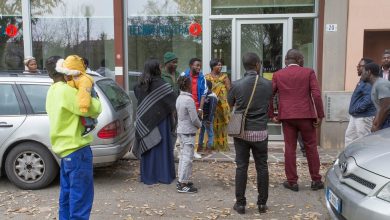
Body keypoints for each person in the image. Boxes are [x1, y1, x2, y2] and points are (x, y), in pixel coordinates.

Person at [45, 55, 102, 220]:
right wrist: (93, 96)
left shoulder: (51, 91)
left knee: (67, 197)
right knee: (81, 199)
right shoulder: (67, 91)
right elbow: (94, 109)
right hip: (77, 150)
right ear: (64, 69)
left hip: (64, 152)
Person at [271, 49, 325, 192]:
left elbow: (269, 95)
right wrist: (319, 115)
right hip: (306, 116)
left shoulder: (278, 74)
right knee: (311, 148)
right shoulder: (308, 72)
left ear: (285, 61)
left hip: (287, 117)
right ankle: (316, 180)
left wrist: (272, 114)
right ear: (300, 60)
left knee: (290, 148)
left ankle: (292, 182)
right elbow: (317, 95)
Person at [228, 52, 272, 214]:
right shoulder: (268, 84)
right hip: (260, 131)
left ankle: (240, 204)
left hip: (241, 132)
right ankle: (262, 204)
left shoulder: (236, 85)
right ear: (257, 65)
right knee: (262, 167)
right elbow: (268, 102)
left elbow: (230, 103)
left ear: (244, 66)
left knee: (241, 167)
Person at [132, 58, 177, 185]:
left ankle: (148, 176)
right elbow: (173, 101)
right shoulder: (163, 85)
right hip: (162, 122)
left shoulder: (139, 86)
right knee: (161, 149)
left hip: (145, 120)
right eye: (159, 67)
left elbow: (137, 94)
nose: (161, 68)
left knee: (149, 149)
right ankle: (164, 175)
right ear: (156, 69)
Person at [56, 55, 98, 137]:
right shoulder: (76, 77)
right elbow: (72, 86)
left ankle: (90, 125)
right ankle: (92, 123)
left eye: (67, 72)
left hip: (86, 97)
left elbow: (84, 93)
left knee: (85, 112)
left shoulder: (84, 80)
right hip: (84, 97)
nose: (65, 75)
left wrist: (83, 106)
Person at [176, 76, 202, 193]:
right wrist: (200, 124)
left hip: (181, 130)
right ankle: (183, 184)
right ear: (188, 86)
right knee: (187, 158)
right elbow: (194, 119)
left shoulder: (179, 98)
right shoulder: (189, 100)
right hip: (188, 132)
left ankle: (181, 180)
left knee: (183, 157)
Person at [344, 58, 376, 146]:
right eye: (358, 66)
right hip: (356, 116)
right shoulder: (362, 80)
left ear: (367, 69)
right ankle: (348, 158)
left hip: (363, 117)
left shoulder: (369, 81)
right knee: (349, 137)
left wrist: (356, 109)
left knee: (364, 141)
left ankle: (365, 159)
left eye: (360, 66)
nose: (357, 68)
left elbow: (368, 100)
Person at [181, 58, 208, 159]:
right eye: (197, 65)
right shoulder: (184, 75)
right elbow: (179, 89)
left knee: (196, 129)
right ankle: (183, 150)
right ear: (191, 65)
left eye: (200, 66)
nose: (199, 67)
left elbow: (204, 94)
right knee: (184, 128)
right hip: (185, 106)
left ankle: (194, 151)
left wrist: (200, 109)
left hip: (197, 106)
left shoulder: (202, 77)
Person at [205, 58, 231, 152]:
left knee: (222, 125)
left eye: (221, 65)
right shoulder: (207, 77)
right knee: (211, 125)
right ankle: (211, 145)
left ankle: (222, 145)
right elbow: (205, 91)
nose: (220, 67)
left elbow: (229, 90)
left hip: (221, 107)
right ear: (212, 66)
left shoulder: (224, 77)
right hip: (211, 106)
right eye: (218, 65)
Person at [360, 62, 390, 131]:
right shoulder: (376, 84)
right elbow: (380, 108)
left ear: (369, 72)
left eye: (363, 72)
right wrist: (375, 123)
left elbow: (386, 107)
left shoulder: (381, 84)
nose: (361, 75)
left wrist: (378, 125)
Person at [198, 80, 218, 154]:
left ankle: (209, 147)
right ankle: (200, 146)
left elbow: (212, 109)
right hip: (202, 117)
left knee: (210, 133)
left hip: (208, 118)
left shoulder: (212, 96)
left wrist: (209, 119)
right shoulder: (204, 95)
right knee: (201, 132)